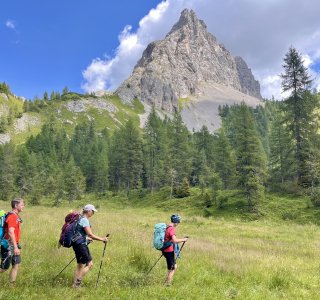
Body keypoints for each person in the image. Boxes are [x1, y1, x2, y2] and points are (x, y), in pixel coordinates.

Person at [72, 204, 108, 288]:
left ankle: (74, 284)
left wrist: (86, 238)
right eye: (93, 211)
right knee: (90, 264)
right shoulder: (85, 220)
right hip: (81, 245)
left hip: (77, 244)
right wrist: (102, 239)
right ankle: (77, 284)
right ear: (88, 211)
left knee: (80, 265)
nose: (93, 213)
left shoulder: (79, 218)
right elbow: (90, 234)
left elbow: (79, 233)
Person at [0, 198, 25, 284]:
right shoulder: (12, 216)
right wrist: (15, 247)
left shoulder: (15, 216)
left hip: (13, 244)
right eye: (22, 205)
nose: (23, 206)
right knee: (4, 267)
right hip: (8, 245)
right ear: (15, 205)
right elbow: (11, 232)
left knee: (16, 264)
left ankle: (11, 285)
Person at [162, 214, 188, 286]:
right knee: (173, 267)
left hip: (165, 250)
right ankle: (168, 284)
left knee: (170, 267)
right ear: (176, 222)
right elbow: (174, 240)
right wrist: (184, 239)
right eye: (178, 222)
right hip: (169, 251)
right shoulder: (172, 229)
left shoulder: (166, 227)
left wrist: (182, 240)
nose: (178, 224)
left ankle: (167, 282)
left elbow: (171, 240)